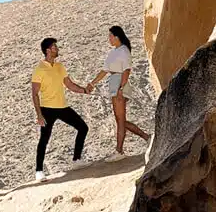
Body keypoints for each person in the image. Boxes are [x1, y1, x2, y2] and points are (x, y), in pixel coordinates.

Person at [87, 25, 151, 161]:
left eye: (110, 36)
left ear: (116, 37)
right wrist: (92, 83)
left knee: (120, 120)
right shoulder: (113, 52)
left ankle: (119, 151)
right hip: (114, 83)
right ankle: (147, 137)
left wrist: (121, 88)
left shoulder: (124, 51)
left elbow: (127, 70)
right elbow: (104, 71)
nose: (108, 39)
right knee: (120, 120)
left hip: (120, 83)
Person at [31, 37, 91, 182]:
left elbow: (69, 85)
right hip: (47, 109)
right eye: (54, 47)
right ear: (48, 50)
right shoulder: (39, 69)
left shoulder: (60, 66)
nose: (57, 49)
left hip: (63, 107)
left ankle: (76, 160)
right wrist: (39, 114)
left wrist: (84, 90)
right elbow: (34, 93)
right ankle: (39, 171)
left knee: (83, 127)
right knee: (44, 139)